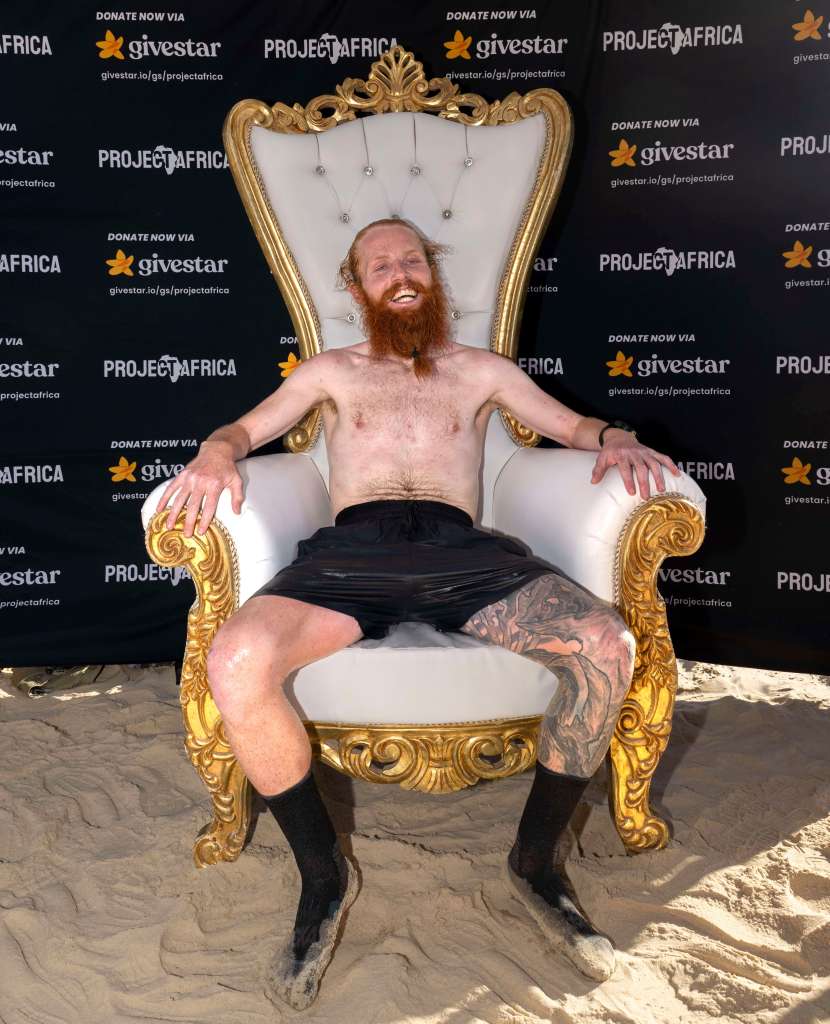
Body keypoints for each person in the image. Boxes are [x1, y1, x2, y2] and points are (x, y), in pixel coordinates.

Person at [155, 218, 681, 1010]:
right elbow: (246, 427)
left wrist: (615, 437)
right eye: (379, 265)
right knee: (234, 661)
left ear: (430, 273)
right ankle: (323, 878)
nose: (399, 274)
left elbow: (567, 426)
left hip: (460, 552)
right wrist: (216, 451)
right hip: (351, 556)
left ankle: (536, 862)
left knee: (604, 644)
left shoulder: (480, 370)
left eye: (412, 259)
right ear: (356, 286)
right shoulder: (330, 372)